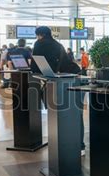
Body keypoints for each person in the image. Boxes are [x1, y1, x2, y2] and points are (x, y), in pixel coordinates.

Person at [31, 26, 85, 155]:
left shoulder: (40, 43)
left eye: (37, 35)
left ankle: (63, 144)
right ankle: (80, 146)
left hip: (59, 83)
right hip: (76, 78)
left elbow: (35, 65)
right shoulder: (58, 44)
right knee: (76, 113)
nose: (37, 38)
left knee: (59, 113)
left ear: (41, 35)